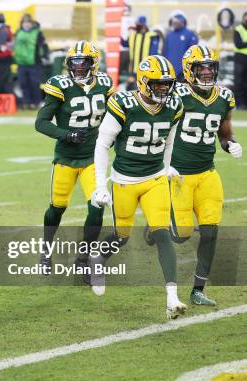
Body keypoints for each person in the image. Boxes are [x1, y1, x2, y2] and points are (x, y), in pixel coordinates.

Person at [92, 55, 186, 319]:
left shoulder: (174, 106)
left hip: (155, 177)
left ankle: (172, 298)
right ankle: (98, 258)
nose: (163, 89)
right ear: (144, 83)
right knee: (122, 237)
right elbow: (102, 145)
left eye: (167, 84)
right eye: (157, 84)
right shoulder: (123, 104)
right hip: (124, 180)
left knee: (162, 233)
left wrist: (167, 167)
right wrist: (100, 184)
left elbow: (169, 141)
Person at [166, 45, 242, 306]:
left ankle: (198, 290)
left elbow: (224, 130)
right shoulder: (176, 94)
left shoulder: (223, 97)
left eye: (211, 67)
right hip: (179, 175)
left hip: (207, 173)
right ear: (189, 70)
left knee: (210, 233)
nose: (208, 72)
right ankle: (160, 224)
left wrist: (229, 143)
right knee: (181, 235)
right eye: (202, 68)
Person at [36, 41, 114, 276]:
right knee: (57, 208)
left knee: (97, 208)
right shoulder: (60, 86)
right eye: (74, 64)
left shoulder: (104, 84)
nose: (78, 69)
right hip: (66, 158)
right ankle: (46, 250)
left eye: (84, 64)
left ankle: (83, 259)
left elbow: (114, 118)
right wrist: (66, 134)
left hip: (93, 158)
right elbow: (40, 123)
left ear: (94, 64)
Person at [14, 14, 46, 109]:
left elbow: (43, 45)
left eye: (28, 23)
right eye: (25, 23)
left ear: (31, 24)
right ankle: (26, 103)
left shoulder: (37, 33)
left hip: (34, 62)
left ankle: (36, 102)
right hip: (21, 63)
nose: (27, 25)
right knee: (23, 83)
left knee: (34, 83)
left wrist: (43, 56)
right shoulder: (18, 32)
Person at [163, 11, 198, 81]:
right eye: (175, 21)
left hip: (184, 72)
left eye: (179, 20)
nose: (177, 23)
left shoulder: (190, 34)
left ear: (183, 21)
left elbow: (194, 53)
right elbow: (164, 52)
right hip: (169, 72)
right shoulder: (169, 35)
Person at [234, 12, 247, 109]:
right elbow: (238, 44)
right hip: (240, 58)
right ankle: (240, 104)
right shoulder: (238, 29)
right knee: (239, 82)